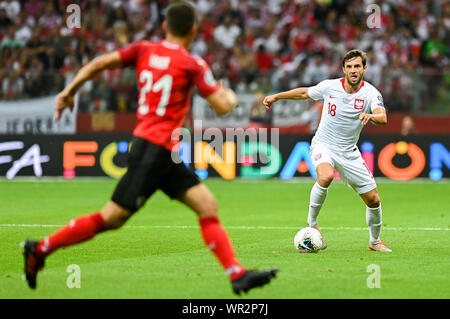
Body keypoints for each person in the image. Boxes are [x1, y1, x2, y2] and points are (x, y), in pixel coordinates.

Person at [23, 1, 277, 295]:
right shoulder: (192, 63)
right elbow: (221, 106)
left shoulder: (143, 49)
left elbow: (98, 63)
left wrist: (68, 92)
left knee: (207, 205)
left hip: (156, 148)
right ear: (194, 30)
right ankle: (40, 249)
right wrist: (231, 96)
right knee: (112, 218)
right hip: (155, 150)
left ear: (165, 26)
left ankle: (236, 273)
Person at [263, 49, 392, 252]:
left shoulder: (371, 93)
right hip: (324, 144)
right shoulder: (330, 87)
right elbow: (305, 93)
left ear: (364, 68)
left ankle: (375, 241)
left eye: (357, 66)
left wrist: (371, 116)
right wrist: (276, 96)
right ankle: (312, 224)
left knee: (373, 199)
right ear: (343, 69)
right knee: (325, 176)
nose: (353, 70)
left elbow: (382, 117)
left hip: (349, 152)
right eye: (349, 67)